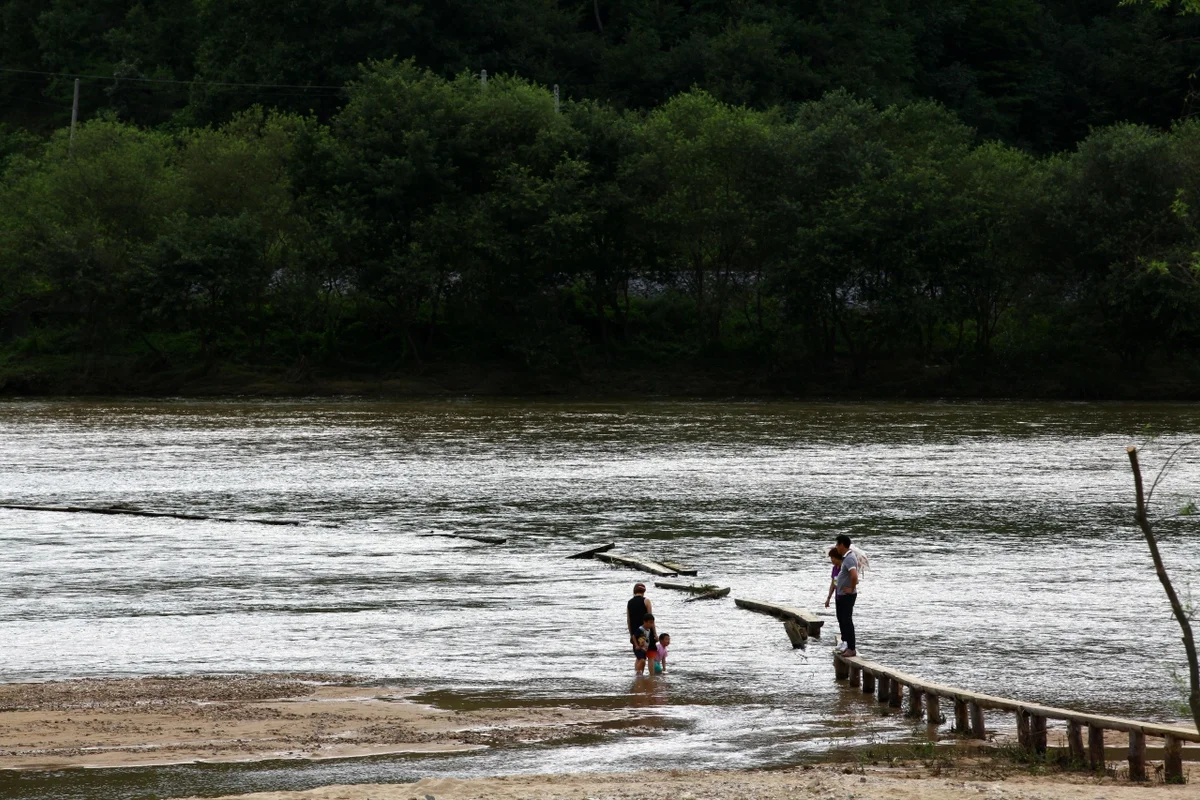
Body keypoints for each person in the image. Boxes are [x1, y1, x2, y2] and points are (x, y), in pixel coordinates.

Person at [833, 534, 859, 657]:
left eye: (837, 545)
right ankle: (848, 645)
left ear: (842, 545)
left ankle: (852, 648)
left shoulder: (849, 558)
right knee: (844, 620)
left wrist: (851, 588)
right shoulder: (846, 558)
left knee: (847, 621)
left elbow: (854, 575)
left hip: (847, 596)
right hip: (842, 595)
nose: (836, 548)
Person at [627, 583, 653, 674]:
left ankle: (639, 676)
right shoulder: (646, 601)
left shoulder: (629, 602)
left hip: (635, 633)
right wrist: (654, 633)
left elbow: (628, 620)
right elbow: (651, 619)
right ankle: (638, 674)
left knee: (639, 656)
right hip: (645, 632)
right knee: (645, 656)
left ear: (634, 591)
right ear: (644, 591)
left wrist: (631, 634)